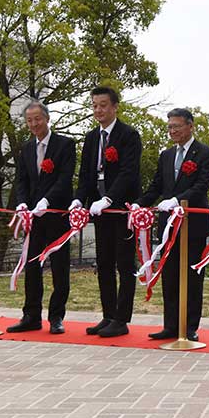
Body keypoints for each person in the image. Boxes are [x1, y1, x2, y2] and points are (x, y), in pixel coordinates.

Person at [136, 108, 209, 342]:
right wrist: (139, 204)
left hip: (193, 224)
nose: (172, 131)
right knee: (170, 276)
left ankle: (190, 326)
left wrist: (179, 199)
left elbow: (201, 185)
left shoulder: (205, 153)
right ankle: (170, 325)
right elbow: (156, 186)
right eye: (170, 127)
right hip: (168, 225)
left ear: (190, 126)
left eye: (177, 126)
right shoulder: (166, 155)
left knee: (192, 277)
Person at [70, 86, 142, 338]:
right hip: (99, 211)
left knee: (124, 263)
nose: (98, 110)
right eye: (94, 105)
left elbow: (128, 173)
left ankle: (122, 319)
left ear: (114, 107)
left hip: (122, 210)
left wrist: (110, 198)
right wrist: (79, 199)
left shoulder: (129, 135)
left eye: (103, 105)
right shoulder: (91, 138)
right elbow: (87, 174)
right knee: (104, 262)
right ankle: (108, 315)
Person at [7, 101, 76, 334]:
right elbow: (22, 181)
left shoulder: (65, 145)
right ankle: (31, 316)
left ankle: (56, 317)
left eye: (38, 119)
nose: (34, 124)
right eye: (29, 120)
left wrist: (46, 201)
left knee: (59, 268)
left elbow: (65, 179)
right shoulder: (26, 149)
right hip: (34, 218)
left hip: (57, 215)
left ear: (47, 118)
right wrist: (23, 203)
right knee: (32, 266)